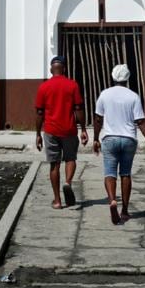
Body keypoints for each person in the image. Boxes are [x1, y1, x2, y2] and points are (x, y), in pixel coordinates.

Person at [92, 64, 145, 225]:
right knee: (125, 174)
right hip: (128, 139)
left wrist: (95, 138)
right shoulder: (133, 96)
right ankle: (125, 211)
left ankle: (113, 200)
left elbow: (98, 118)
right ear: (127, 78)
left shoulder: (105, 95)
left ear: (113, 77)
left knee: (109, 173)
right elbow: (140, 121)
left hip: (110, 138)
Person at [33, 55, 88, 209]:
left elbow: (39, 113)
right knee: (70, 159)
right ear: (64, 69)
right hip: (69, 129)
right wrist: (83, 129)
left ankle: (57, 201)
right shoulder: (72, 85)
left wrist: (38, 134)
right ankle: (67, 182)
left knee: (54, 165)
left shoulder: (43, 87)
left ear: (51, 69)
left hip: (51, 130)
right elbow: (78, 109)